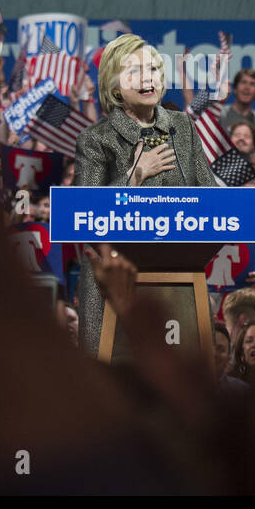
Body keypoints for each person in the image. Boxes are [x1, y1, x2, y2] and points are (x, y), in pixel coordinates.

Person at [72, 34, 218, 354]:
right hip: (114, 287)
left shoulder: (182, 127)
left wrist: (251, 205)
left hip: (178, 280)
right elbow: (84, 214)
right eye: (135, 71)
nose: (147, 77)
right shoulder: (96, 140)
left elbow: (210, 191)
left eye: (153, 69)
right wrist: (135, 175)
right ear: (114, 86)